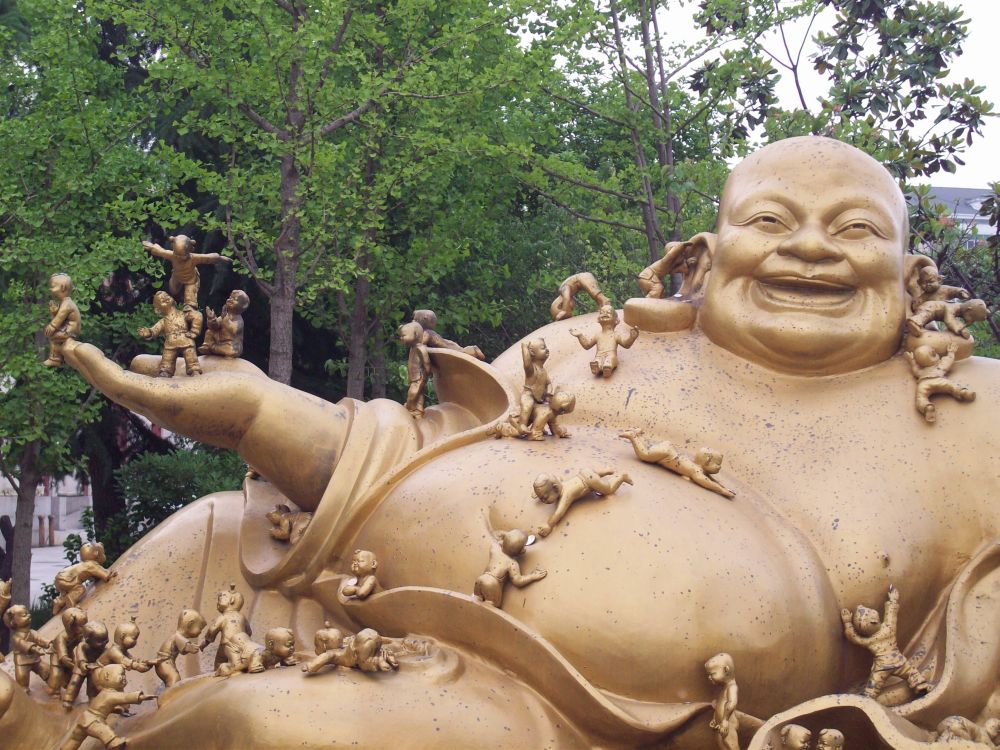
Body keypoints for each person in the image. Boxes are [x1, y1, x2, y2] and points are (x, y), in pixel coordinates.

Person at [16, 136, 999, 750]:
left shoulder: (971, 416)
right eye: (772, 221)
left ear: (913, 274)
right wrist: (260, 413)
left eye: (854, 230)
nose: (811, 248)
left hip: (581, 717)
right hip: (387, 602)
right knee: (206, 533)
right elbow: (434, 459)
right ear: (702, 258)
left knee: (265, 727)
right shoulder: (590, 350)